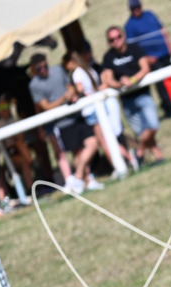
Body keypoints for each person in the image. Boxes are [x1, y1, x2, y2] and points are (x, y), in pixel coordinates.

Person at [27, 53, 101, 194]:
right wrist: (63, 99)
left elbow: (70, 86)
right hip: (59, 124)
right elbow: (45, 106)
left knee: (91, 144)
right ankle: (84, 180)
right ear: (34, 69)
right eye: (39, 68)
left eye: (44, 66)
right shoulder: (34, 85)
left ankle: (80, 178)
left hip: (75, 115)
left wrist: (72, 94)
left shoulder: (58, 70)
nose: (43, 69)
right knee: (71, 153)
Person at [64, 52, 135, 177]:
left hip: (91, 110)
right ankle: (130, 159)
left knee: (105, 142)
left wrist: (72, 92)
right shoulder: (88, 69)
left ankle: (120, 166)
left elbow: (80, 90)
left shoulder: (76, 73)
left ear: (71, 62)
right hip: (100, 107)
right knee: (109, 138)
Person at [101, 27, 165, 166]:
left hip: (142, 94)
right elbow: (107, 79)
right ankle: (159, 157)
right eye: (112, 39)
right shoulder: (108, 57)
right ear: (108, 42)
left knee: (152, 126)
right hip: (127, 100)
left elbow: (145, 67)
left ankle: (139, 152)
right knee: (143, 131)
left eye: (118, 37)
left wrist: (132, 80)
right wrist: (120, 84)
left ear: (123, 36)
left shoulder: (134, 49)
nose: (116, 41)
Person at [124, 0, 171, 118]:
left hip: (165, 54)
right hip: (152, 60)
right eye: (133, 8)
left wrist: (170, 46)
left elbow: (162, 30)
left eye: (137, 6)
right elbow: (133, 48)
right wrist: (146, 59)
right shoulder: (129, 26)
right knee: (162, 86)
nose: (136, 9)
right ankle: (170, 108)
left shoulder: (150, 15)